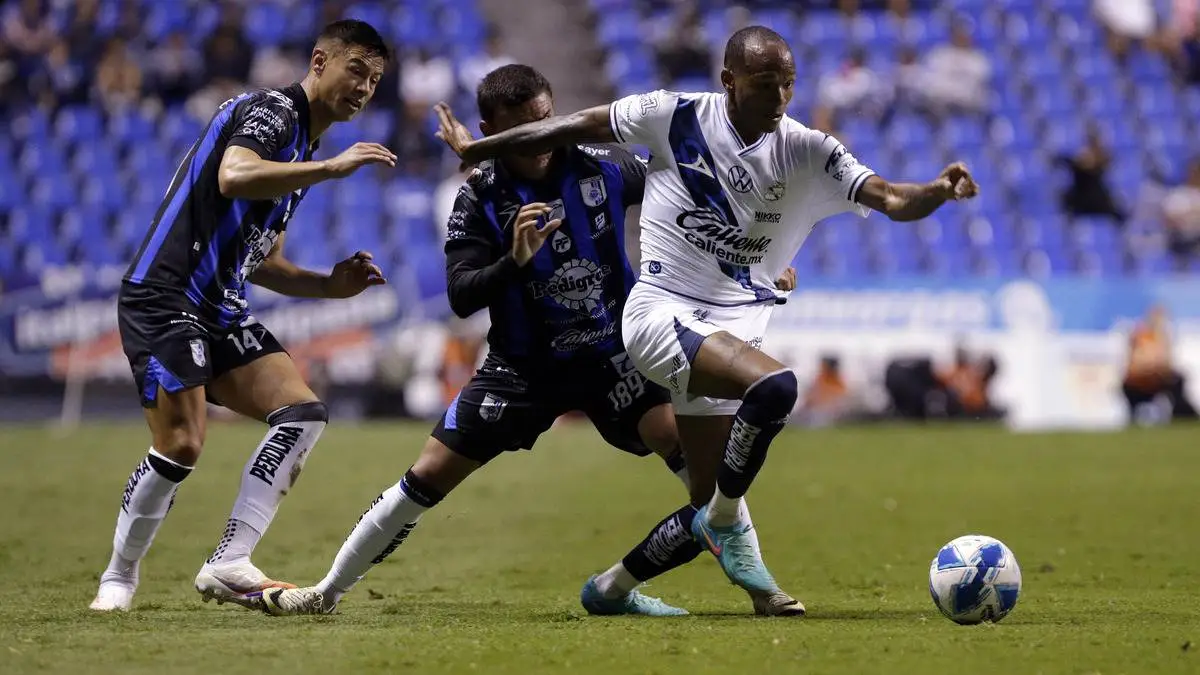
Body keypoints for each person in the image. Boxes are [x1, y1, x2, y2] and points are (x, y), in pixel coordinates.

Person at [428, 25, 978, 614]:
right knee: (775, 388)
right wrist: (480, 151)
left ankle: (611, 588)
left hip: (732, 331)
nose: (781, 97)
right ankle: (720, 523)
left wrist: (935, 192)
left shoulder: (810, 150)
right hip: (659, 315)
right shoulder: (676, 115)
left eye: (789, 84)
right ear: (730, 82)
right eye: (767, 85)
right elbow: (577, 125)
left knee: (709, 496)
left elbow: (893, 199)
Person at [257, 64, 802, 618]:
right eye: (524, 127)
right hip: (523, 371)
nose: (540, 140)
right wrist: (514, 261)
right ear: (492, 127)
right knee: (426, 476)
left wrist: (760, 261)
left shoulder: (606, 169)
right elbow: (463, 296)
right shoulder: (479, 198)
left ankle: (639, 589)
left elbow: (694, 203)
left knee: (707, 486)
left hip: (618, 358)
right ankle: (325, 592)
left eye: (545, 121)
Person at [89, 20, 396, 612]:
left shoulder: (303, 146)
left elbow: (262, 262)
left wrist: (331, 286)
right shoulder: (274, 112)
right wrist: (331, 169)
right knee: (182, 445)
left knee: (302, 413)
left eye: (375, 80)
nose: (364, 87)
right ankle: (119, 575)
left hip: (220, 307)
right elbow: (233, 175)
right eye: (356, 69)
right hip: (166, 295)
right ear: (319, 61)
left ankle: (229, 561)